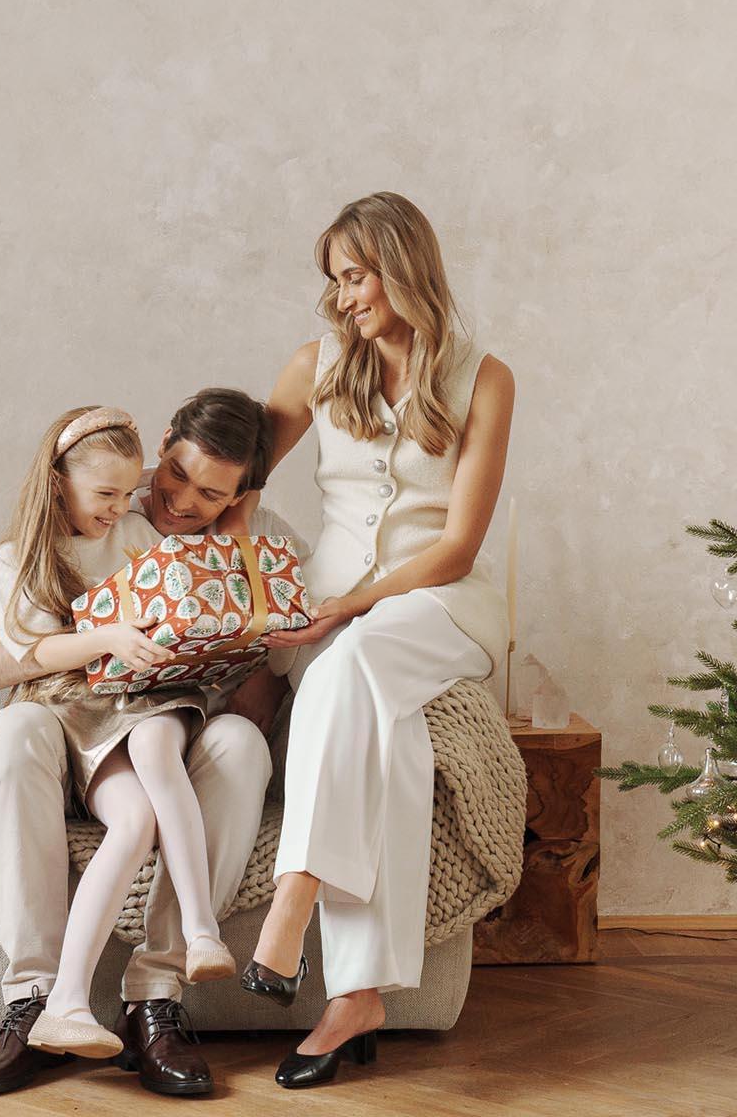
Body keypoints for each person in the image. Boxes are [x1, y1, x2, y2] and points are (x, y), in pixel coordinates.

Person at [234, 192, 514, 1089]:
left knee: (352, 660)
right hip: (330, 606)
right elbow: (238, 480)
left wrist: (351, 606)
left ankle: (294, 899)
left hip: (440, 606)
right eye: (336, 280)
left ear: (402, 266)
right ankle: (356, 997)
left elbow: (457, 546)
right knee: (384, 733)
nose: (344, 296)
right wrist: (243, 577)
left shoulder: (484, 379)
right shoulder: (316, 367)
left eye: (356, 276)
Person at [0, 388, 295, 1098]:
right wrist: (92, 644)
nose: (182, 502)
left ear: (240, 495)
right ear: (161, 449)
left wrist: (250, 641)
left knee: (239, 745)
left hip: (165, 724)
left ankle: (155, 996)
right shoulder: (104, 499)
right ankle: (34, 1000)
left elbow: (269, 673)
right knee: (13, 729)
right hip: (68, 728)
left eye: (211, 494)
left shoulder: (253, 543)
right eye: (175, 476)